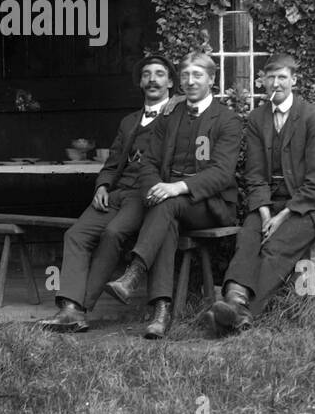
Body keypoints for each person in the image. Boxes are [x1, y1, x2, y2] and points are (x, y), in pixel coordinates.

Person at [103, 52, 242, 340]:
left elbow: (221, 173)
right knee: (166, 218)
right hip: (170, 204)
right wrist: (156, 186)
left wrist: (176, 187)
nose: (191, 82)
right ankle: (161, 312)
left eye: (198, 75)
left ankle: (135, 272)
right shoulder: (171, 116)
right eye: (186, 75)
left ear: (212, 80)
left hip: (209, 204)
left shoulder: (227, 120)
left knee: (168, 204)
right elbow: (149, 162)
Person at [37, 55, 178, 333]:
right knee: (76, 234)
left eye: (160, 74)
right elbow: (113, 162)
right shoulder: (129, 122)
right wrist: (102, 185)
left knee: (113, 233)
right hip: (117, 192)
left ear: (170, 82)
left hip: (145, 195)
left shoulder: (176, 119)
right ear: (140, 82)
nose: (152, 79)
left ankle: (80, 307)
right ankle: (70, 308)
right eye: (147, 74)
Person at [204, 54, 315, 335]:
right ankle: (234, 300)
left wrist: (283, 215)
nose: (276, 84)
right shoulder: (257, 118)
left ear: (294, 80)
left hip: (311, 205)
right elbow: (254, 174)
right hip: (270, 201)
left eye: (282, 77)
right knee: (248, 236)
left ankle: (242, 312)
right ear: (263, 81)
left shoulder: (313, 117)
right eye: (270, 78)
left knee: (276, 246)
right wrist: (265, 210)